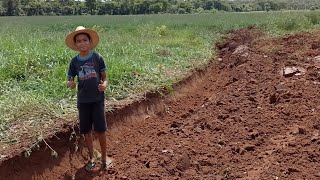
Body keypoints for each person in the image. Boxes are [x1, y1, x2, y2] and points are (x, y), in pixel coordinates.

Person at [65, 26, 112, 171]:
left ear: (90, 41)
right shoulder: (74, 62)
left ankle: (104, 157)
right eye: (79, 41)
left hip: (97, 100)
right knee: (86, 130)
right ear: (76, 44)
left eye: (85, 40)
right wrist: (71, 83)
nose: (82, 43)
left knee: (101, 129)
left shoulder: (97, 58)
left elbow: (104, 77)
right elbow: (70, 80)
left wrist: (104, 85)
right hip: (83, 101)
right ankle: (92, 157)